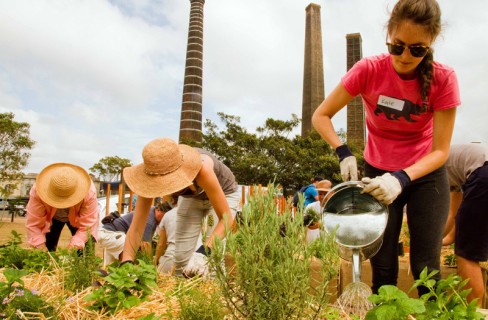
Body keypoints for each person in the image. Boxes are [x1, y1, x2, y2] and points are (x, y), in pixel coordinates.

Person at [312, 0, 459, 296]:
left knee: (425, 265)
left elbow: (441, 151)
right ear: (389, 36)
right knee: (382, 262)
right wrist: (343, 150)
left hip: (424, 175)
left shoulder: (443, 78)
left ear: (430, 44)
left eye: (417, 49)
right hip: (377, 171)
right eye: (398, 46)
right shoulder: (369, 70)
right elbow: (321, 115)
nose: (405, 56)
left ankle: (434, 313)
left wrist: (402, 178)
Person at [120, 138, 240, 277]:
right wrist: (126, 262)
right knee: (182, 257)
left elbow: (226, 220)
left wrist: (204, 251)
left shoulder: (202, 169)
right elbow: (136, 228)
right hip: (193, 198)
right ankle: (184, 294)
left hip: (224, 193)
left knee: (212, 259)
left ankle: (215, 292)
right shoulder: (148, 177)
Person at [441, 144, 488, 306]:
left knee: (467, 254)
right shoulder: (457, 176)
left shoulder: (434, 164)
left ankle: (474, 313)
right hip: (481, 170)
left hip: (483, 173)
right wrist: (438, 241)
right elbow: (455, 215)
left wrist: (429, 241)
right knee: (468, 243)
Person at [26, 163, 99, 251]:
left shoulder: (89, 192)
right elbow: (34, 224)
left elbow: (87, 225)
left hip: (78, 218)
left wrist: (71, 249)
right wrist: (41, 250)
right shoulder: (38, 191)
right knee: (47, 247)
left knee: (85, 250)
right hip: (52, 218)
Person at [98, 202, 166, 265]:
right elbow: (146, 246)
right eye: (164, 216)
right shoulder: (149, 220)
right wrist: (151, 265)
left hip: (110, 234)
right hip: (112, 234)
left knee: (110, 267)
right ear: (159, 211)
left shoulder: (151, 209)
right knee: (128, 260)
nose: (164, 220)